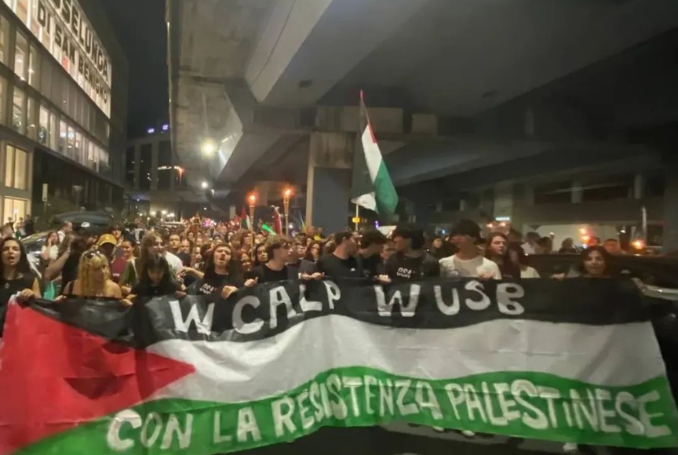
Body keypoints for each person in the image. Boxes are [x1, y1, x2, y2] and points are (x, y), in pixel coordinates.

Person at [0, 238, 41, 338]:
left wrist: (32, 295)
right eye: (6, 249)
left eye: (15, 249)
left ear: (21, 254)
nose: (10, 251)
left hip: (21, 335)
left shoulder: (30, 279)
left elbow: (41, 305)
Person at [45, 225, 97, 293]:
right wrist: (68, 251)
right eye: (80, 235)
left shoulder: (97, 257)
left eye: (86, 235)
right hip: (68, 295)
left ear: (94, 238)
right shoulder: (70, 256)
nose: (81, 239)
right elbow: (48, 275)